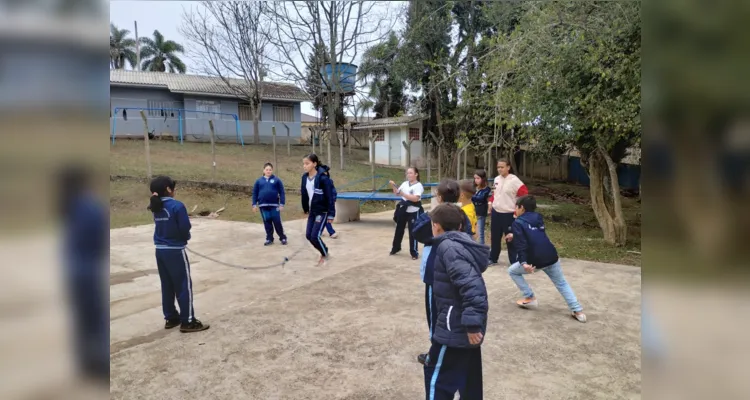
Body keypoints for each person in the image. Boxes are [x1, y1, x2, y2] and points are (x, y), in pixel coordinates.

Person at [423, 203, 489, 399]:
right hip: (460, 323)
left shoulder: (449, 247)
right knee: (469, 378)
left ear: (436, 226)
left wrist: (472, 324)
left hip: (455, 327)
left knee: (437, 378)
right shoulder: (460, 242)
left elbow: (473, 287)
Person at [412, 179, 477, 366]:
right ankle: (448, 348)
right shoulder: (462, 216)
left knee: (435, 316)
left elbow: (417, 232)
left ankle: (435, 354)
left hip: (435, 275)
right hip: (455, 272)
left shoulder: (434, 217)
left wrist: (431, 212)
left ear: (439, 197)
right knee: (450, 312)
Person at [506, 195, 586, 322]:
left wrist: (524, 263)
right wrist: (514, 234)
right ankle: (578, 311)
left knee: (512, 271)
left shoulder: (518, 222)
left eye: (516, 206)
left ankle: (529, 297)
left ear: (521, 208)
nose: (514, 209)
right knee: (561, 283)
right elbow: (534, 235)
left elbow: (522, 244)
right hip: (551, 256)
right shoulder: (538, 218)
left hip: (536, 260)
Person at [148, 176, 210, 333]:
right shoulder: (177, 206)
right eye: (173, 187)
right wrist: (185, 238)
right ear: (168, 189)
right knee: (183, 285)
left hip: (160, 250)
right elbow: (184, 227)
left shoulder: (156, 206)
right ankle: (188, 321)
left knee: (167, 284)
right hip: (175, 251)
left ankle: (171, 317)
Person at [489, 158, 528, 266]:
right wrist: (490, 204)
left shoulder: (515, 181)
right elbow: (494, 194)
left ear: (508, 167)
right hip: (496, 212)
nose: (500, 169)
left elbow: (524, 196)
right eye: (498, 167)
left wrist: (518, 211)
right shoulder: (496, 179)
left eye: (502, 167)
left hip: (509, 213)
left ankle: (514, 261)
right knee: (495, 237)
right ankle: (493, 258)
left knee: (510, 238)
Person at [300, 154, 336, 266]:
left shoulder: (323, 179)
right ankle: (323, 250)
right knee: (308, 235)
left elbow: (330, 197)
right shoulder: (304, 178)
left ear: (314, 164)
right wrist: (305, 208)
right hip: (312, 211)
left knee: (315, 236)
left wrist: (331, 214)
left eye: (307, 163)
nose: (304, 166)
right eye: (304, 164)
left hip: (322, 211)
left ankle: (325, 253)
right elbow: (304, 194)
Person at [389, 166, 424, 260]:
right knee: (399, 229)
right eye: (407, 173)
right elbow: (396, 193)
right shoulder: (405, 183)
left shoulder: (418, 186)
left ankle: (414, 252)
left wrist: (403, 194)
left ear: (416, 174)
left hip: (413, 211)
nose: (408, 175)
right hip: (403, 209)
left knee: (413, 232)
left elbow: (415, 198)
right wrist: (393, 185)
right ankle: (396, 248)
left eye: (411, 173)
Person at [252, 163, 288, 246]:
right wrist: (254, 204)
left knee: (277, 221)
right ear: (263, 170)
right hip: (263, 206)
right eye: (267, 169)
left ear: (272, 170)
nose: (268, 171)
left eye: (270, 169)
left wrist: (282, 204)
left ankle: (282, 237)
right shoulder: (259, 181)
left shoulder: (277, 180)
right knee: (267, 222)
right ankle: (269, 239)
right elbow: (255, 193)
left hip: (274, 206)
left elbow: (282, 192)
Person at [471, 169, 491, 245]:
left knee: (480, 233)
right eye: (475, 178)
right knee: (472, 231)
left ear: (483, 179)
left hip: (480, 211)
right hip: (472, 211)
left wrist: (471, 196)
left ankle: (481, 250)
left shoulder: (486, 189)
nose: (476, 180)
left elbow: (480, 198)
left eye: (478, 178)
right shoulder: (474, 187)